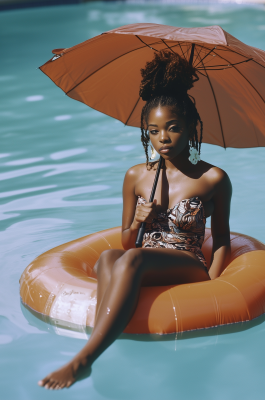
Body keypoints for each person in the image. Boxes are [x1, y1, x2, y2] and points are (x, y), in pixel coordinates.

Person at [38, 50, 232, 390]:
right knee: (110, 256)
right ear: (146, 133)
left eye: (173, 128)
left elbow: (222, 240)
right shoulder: (135, 177)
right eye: (154, 131)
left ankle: (84, 358)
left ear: (190, 128)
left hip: (187, 262)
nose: (164, 139)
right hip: (140, 257)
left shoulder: (213, 178)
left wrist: (216, 289)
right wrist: (140, 219)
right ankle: (107, 345)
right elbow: (127, 241)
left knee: (133, 258)